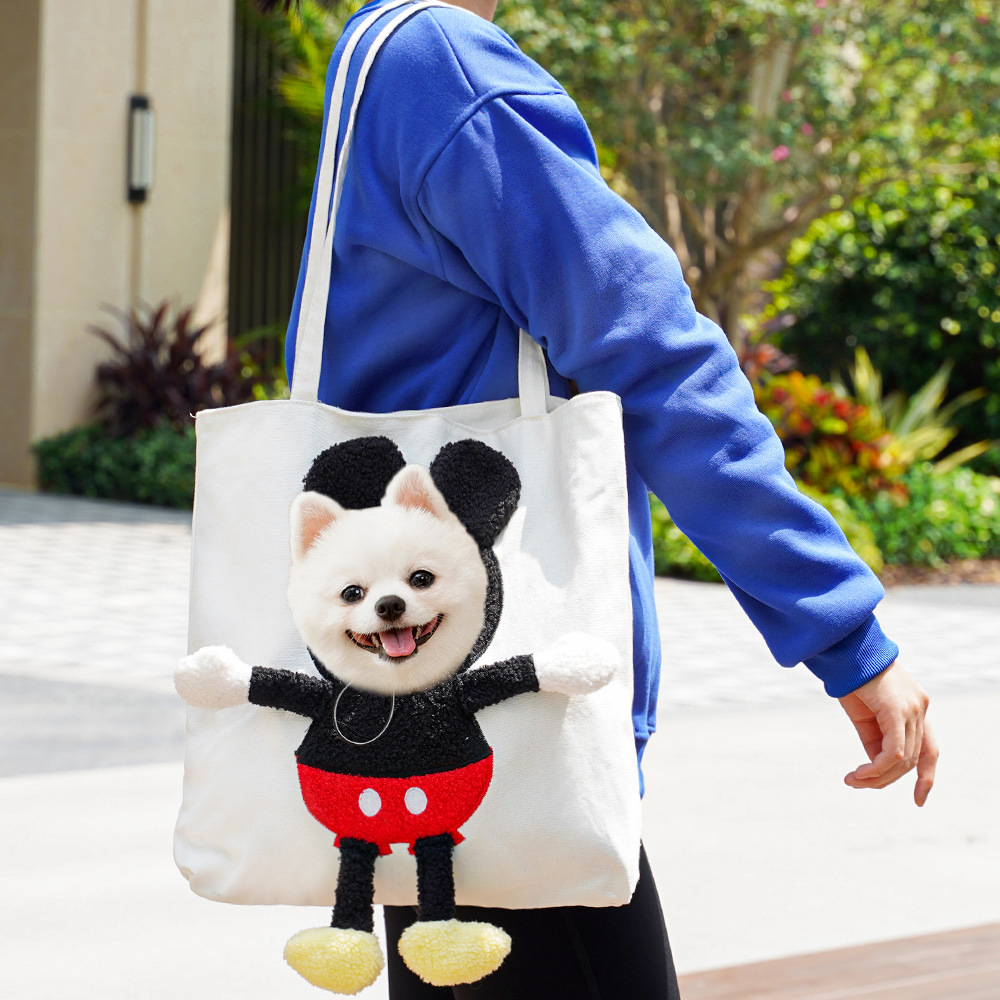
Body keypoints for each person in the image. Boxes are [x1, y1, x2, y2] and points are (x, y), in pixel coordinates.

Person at [257, 0, 938, 995]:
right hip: (513, 735)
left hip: (419, 724)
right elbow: (658, 360)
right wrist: (843, 632)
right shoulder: (445, 66)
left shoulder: (373, 54)